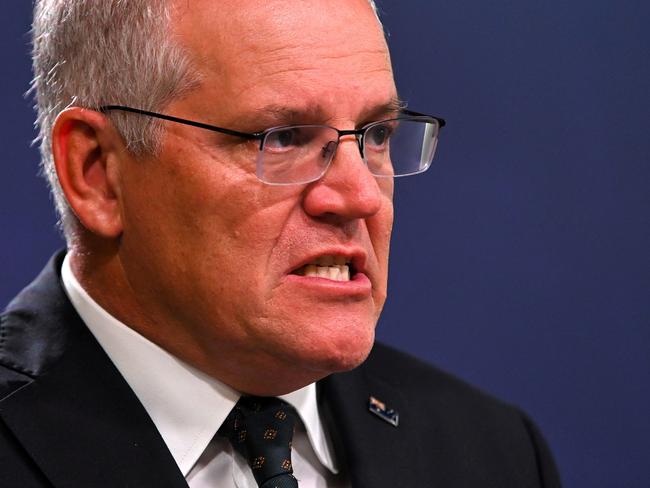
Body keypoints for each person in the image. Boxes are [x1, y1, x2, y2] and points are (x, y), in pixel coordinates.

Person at [0, 0, 561, 486]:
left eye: (378, 135)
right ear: (98, 172)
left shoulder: (493, 453)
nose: (360, 196)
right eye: (284, 138)